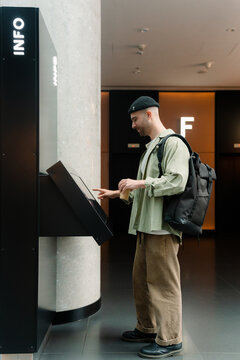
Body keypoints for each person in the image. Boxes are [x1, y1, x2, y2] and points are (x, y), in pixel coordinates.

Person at [93, 96, 190, 359]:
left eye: (135, 119)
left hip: (161, 229)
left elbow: (176, 182)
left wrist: (142, 183)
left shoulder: (173, 144)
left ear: (149, 114)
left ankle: (170, 339)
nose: (133, 125)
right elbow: (145, 190)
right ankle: (147, 327)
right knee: (142, 282)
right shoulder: (151, 148)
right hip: (145, 228)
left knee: (163, 284)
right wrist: (118, 193)